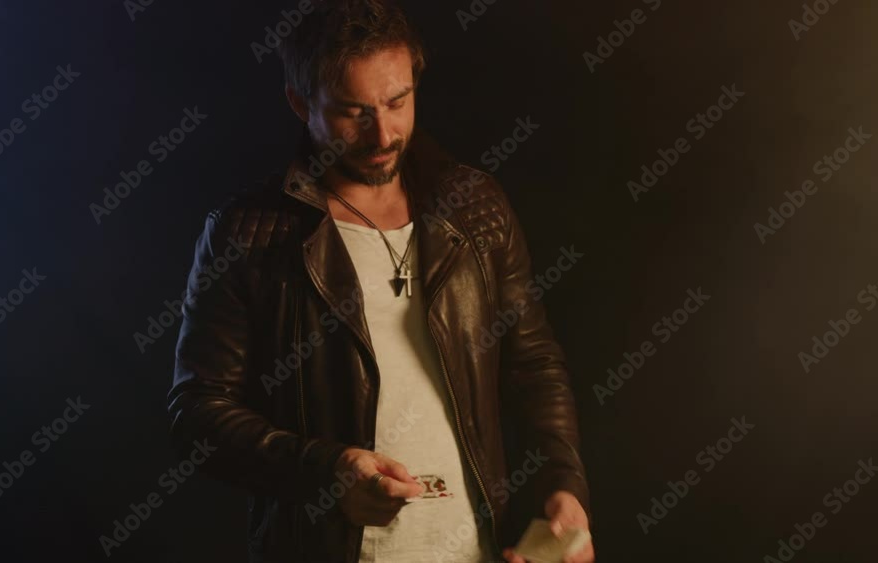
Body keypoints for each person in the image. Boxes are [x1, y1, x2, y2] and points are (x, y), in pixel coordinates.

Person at [166, 1, 594, 561]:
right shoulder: (248, 235)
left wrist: (562, 485)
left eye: (398, 102)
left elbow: (534, 364)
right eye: (353, 112)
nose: (384, 133)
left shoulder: (475, 208)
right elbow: (197, 413)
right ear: (301, 103)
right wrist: (327, 472)